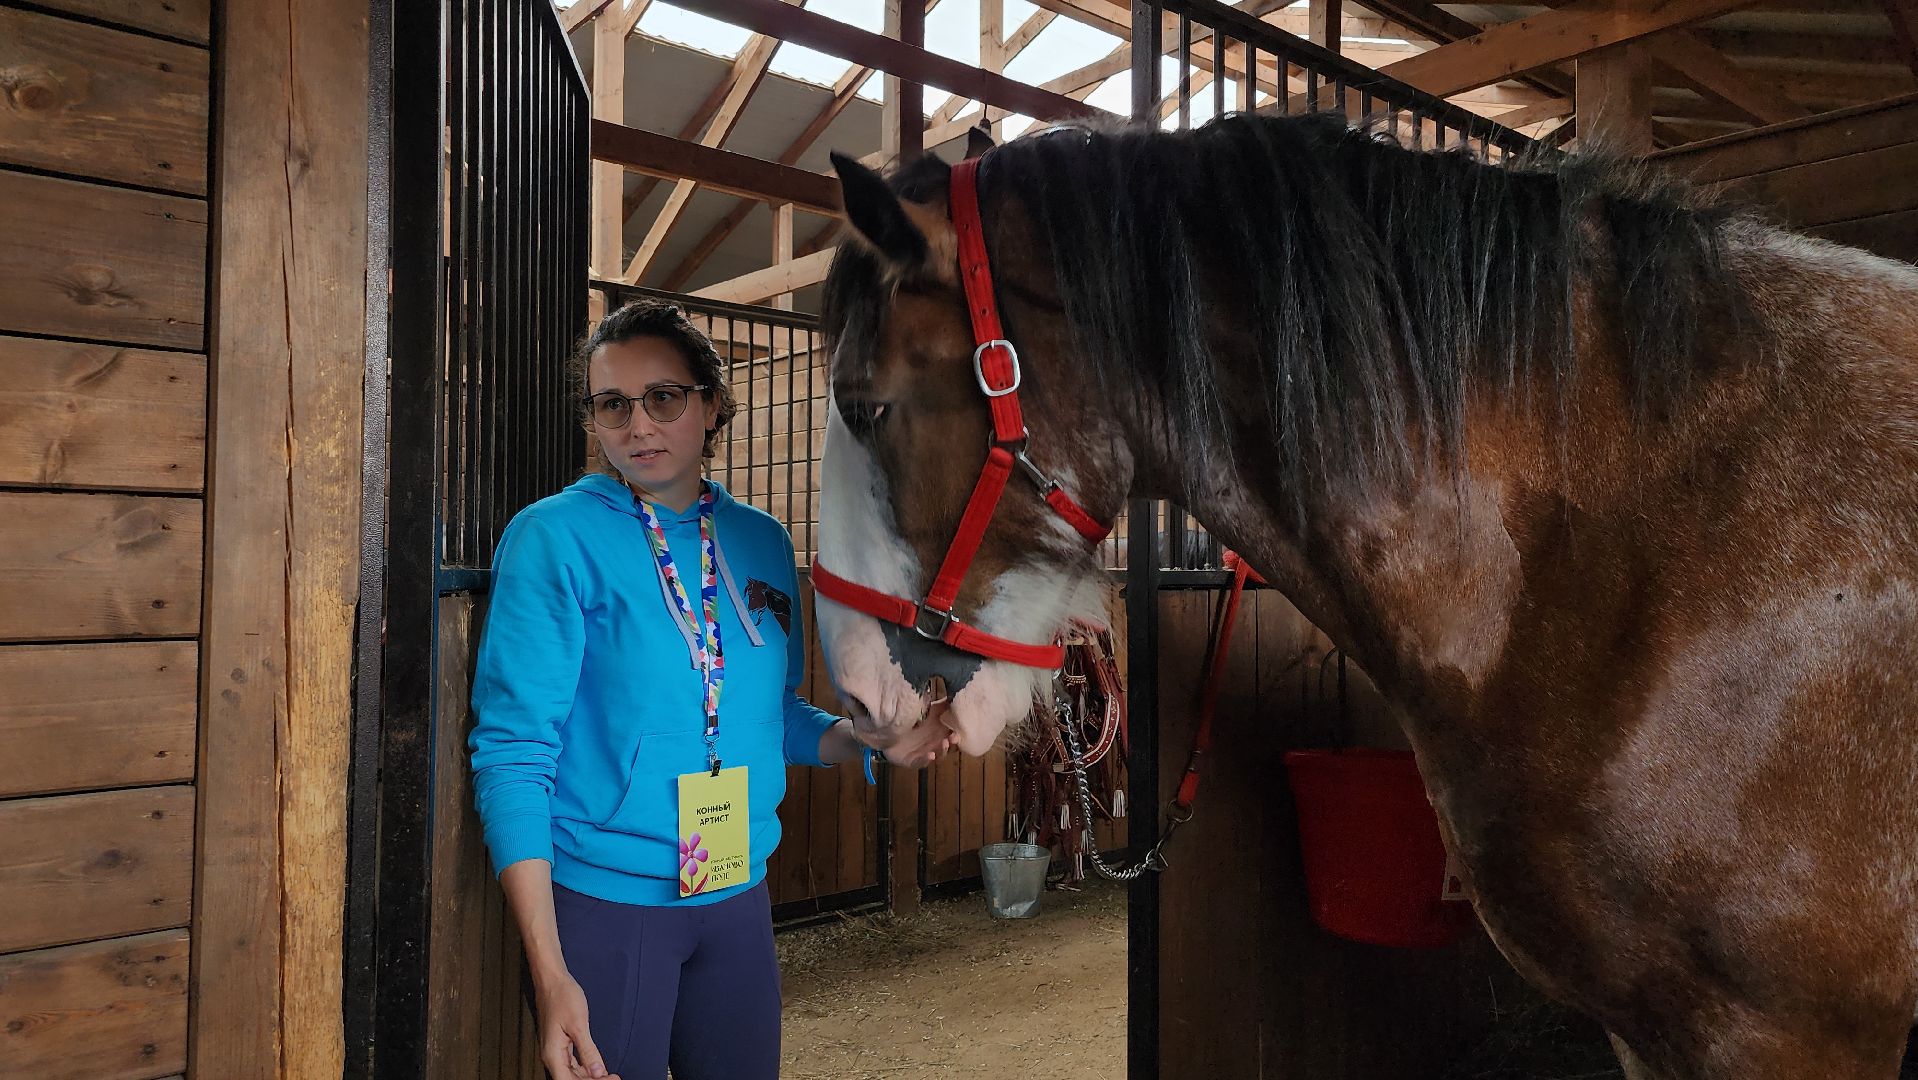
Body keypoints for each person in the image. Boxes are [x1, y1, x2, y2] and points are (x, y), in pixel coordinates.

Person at [469, 299, 947, 1080]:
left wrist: (864, 736)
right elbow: (513, 754)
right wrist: (552, 975)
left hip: (733, 891)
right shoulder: (554, 538)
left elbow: (771, 714)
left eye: (664, 397)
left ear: (712, 402)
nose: (638, 426)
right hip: (606, 905)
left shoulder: (762, 539)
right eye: (612, 405)